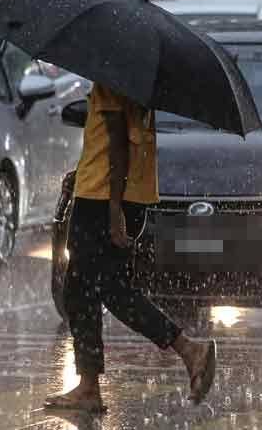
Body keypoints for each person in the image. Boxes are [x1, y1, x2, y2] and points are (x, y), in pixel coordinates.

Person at [45, 82, 217, 413]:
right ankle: (90, 385)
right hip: (120, 195)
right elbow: (115, 142)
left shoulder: (111, 78)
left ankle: (188, 350)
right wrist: (83, 173)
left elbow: (118, 144)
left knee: (97, 291)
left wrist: (113, 211)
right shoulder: (134, 82)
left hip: (102, 201)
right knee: (93, 290)